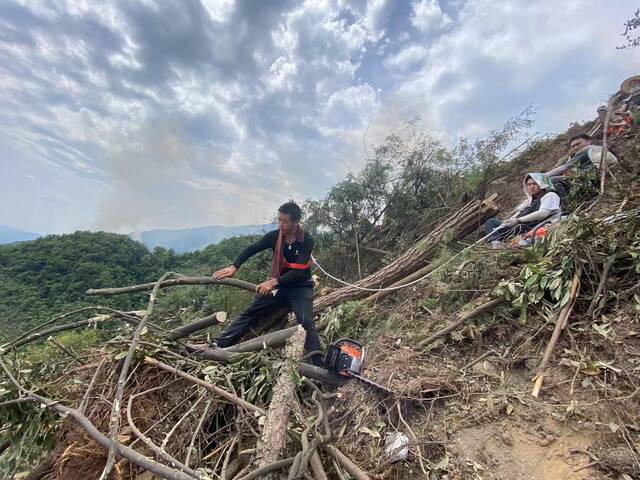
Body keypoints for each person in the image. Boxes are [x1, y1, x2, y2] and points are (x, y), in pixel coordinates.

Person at [209, 201, 324, 366]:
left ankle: (318, 363)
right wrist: (234, 266)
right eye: (279, 220)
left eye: (285, 221)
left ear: (296, 221)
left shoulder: (307, 240)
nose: (281, 224)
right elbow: (251, 249)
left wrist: (273, 282)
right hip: (279, 289)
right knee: (251, 312)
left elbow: (298, 272)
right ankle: (217, 344)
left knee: (305, 321)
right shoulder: (274, 237)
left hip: (300, 288)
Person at [484, 173, 561, 244]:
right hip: (517, 225)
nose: (531, 187)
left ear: (542, 184)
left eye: (535, 184)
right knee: (491, 222)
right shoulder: (531, 200)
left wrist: (518, 220)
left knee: (503, 229)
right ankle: (495, 243)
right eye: (529, 184)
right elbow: (517, 212)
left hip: (528, 226)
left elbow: (543, 213)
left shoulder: (550, 195)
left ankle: (498, 241)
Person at [545, 134, 618, 198]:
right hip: (601, 178)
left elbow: (564, 167)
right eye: (573, 146)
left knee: (551, 180)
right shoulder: (599, 148)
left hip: (590, 179)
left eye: (578, 144)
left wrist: (543, 176)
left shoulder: (586, 150)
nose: (576, 147)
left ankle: (566, 204)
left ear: (589, 141)